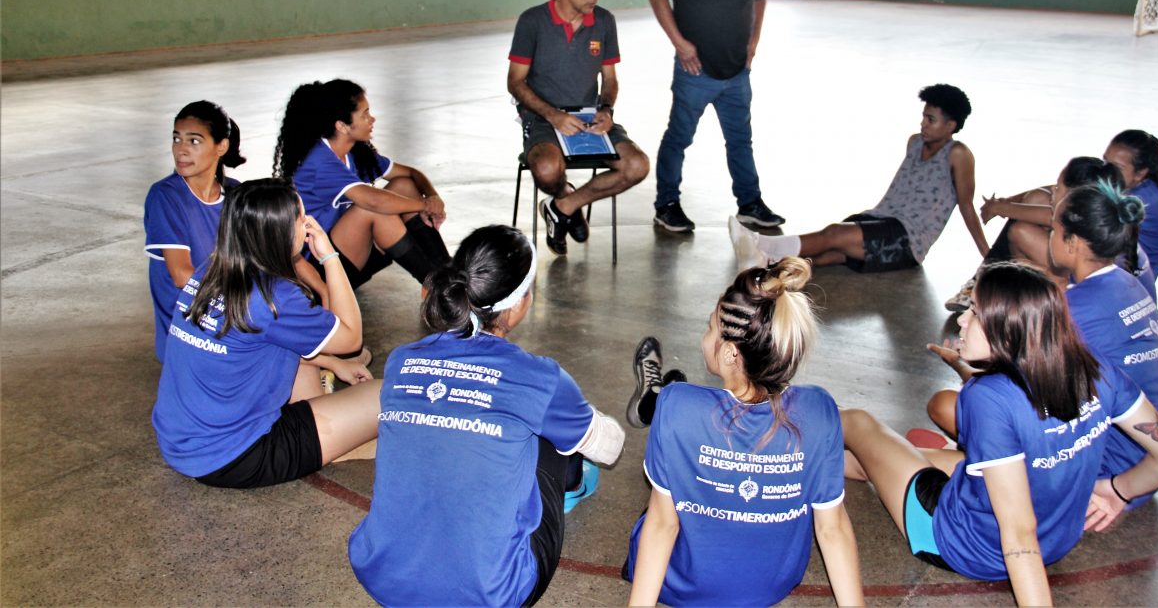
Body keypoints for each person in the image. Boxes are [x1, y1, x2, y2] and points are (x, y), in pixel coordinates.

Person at [841, 262, 1158, 606]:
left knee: (858, 422)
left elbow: (1019, 535)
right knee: (874, 460)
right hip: (1055, 541)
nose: (962, 320)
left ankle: (789, 426)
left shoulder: (989, 397)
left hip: (960, 543)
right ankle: (824, 467)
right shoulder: (1095, 369)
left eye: (974, 312)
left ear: (1007, 330)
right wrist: (1119, 491)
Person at [348, 225, 624, 606]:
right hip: (493, 593)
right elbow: (610, 448)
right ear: (519, 303)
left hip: (383, 574)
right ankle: (572, 483)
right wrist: (577, 411)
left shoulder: (401, 361)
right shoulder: (539, 377)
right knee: (548, 434)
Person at [624, 258, 865, 607]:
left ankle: (654, 398)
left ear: (729, 352)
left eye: (710, 328)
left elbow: (663, 526)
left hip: (682, 587)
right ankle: (653, 401)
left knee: (657, 500)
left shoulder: (679, 407)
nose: (704, 338)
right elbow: (832, 530)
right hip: (773, 586)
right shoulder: (820, 411)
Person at [152, 178, 381, 488]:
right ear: (282, 232)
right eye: (301, 218)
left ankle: (331, 434)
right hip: (237, 456)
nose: (307, 223)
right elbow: (351, 337)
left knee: (302, 348)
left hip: (182, 441)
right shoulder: (273, 296)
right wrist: (329, 257)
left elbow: (255, 343)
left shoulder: (212, 269)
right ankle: (335, 445)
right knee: (386, 394)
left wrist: (332, 363)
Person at [731, 84, 987, 273]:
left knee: (833, 234)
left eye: (931, 120)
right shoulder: (914, 142)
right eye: (923, 117)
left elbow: (966, 206)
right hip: (881, 218)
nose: (923, 124)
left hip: (908, 239)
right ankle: (766, 261)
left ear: (951, 125)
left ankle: (758, 243)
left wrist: (988, 256)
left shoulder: (958, 154)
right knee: (829, 253)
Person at [649, 0, 785, 234]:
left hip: (737, 72)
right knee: (678, 138)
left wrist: (754, 41)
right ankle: (666, 204)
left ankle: (749, 204)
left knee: (740, 140)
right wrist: (680, 43)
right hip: (695, 72)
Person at [507, 0, 650, 256]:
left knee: (637, 165)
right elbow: (515, 82)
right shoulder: (532, 21)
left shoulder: (604, 22)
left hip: (589, 119)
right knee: (546, 169)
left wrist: (606, 110)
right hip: (543, 118)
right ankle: (563, 194)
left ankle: (563, 207)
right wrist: (553, 115)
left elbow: (610, 80)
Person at [1051, 181, 1158, 507]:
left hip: (1109, 472)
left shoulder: (1075, 307)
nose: (1050, 236)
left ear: (1073, 243)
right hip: (1149, 463)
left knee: (954, 407)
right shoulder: (1126, 282)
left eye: (1053, 229)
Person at [273, 78, 449, 289]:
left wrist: (432, 196)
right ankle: (439, 288)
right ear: (342, 126)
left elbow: (412, 173)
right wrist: (424, 206)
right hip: (320, 267)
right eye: (364, 114)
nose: (372, 119)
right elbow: (373, 201)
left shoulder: (355, 152)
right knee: (372, 210)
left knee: (404, 186)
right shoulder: (318, 159)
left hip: (351, 256)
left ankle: (447, 271)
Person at [943, 156, 1156, 311]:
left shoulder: (1088, 238)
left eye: (1059, 189)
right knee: (1033, 204)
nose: (1053, 191)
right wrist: (1005, 203)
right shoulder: (1102, 216)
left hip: (1096, 307)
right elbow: (1042, 196)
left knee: (1020, 230)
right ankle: (990, 284)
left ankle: (994, 291)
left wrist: (1000, 208)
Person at [144, 100, 245, 362]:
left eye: (194, 141)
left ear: (221, 146)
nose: (181, 150)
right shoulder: (165, 196)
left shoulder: (235, 194)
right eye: (177, 139)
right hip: (188, 330)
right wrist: (249, 294)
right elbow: (181, 275)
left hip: (226, 309)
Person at [1104, 129, 1158, 278]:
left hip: (1126, 283)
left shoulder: (1138, 201)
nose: (1107, 171)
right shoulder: (1147, 188)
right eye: (1105, 162)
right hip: (1130, 280)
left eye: (1117, 168)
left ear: (1140, 173)